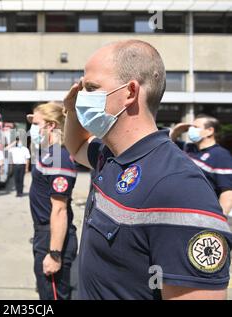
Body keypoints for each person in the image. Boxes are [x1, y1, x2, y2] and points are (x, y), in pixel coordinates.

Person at [64, 39, 232, 300]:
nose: (83, 97)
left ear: (130, 92)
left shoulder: (178, 187)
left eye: (91, 88)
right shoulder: (110, 156)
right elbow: (75, 147)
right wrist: (72, 109)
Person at [27, 102, 78, 300]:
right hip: (43, 233)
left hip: (52, 236)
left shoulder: (59, 159)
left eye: (36, 123)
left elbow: (59, 210)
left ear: (50, 126)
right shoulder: (48, 153)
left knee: (53, 296)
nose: (32, 128)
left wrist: (55, 254)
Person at [170, 114, 232, 215]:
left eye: (195, 127)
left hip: (202, 213)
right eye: (191, 127)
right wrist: (176, 131)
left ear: (210, 131)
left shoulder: (221, 155)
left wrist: (219, 221)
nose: (191, 130)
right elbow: (167, 145)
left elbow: (227, 193)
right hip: (181, 210)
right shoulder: (188, 148)